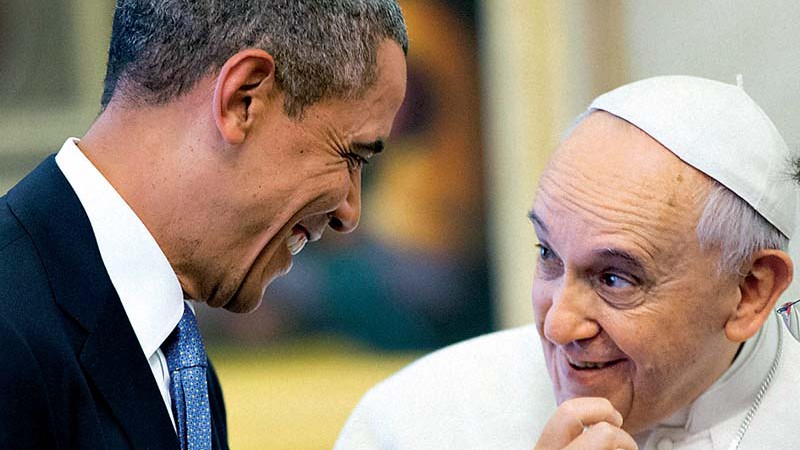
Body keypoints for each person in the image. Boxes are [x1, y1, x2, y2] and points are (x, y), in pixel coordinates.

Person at [0, 1, 408, 449]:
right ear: (243, 98)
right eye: (352, 156)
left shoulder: (181, 367)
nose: (350, 212)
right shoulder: (11, 330)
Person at [334, 76, 800, 450]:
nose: (557, 326)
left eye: (615, 278)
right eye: (547, 255)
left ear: (750, 291)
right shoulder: (414, 419)